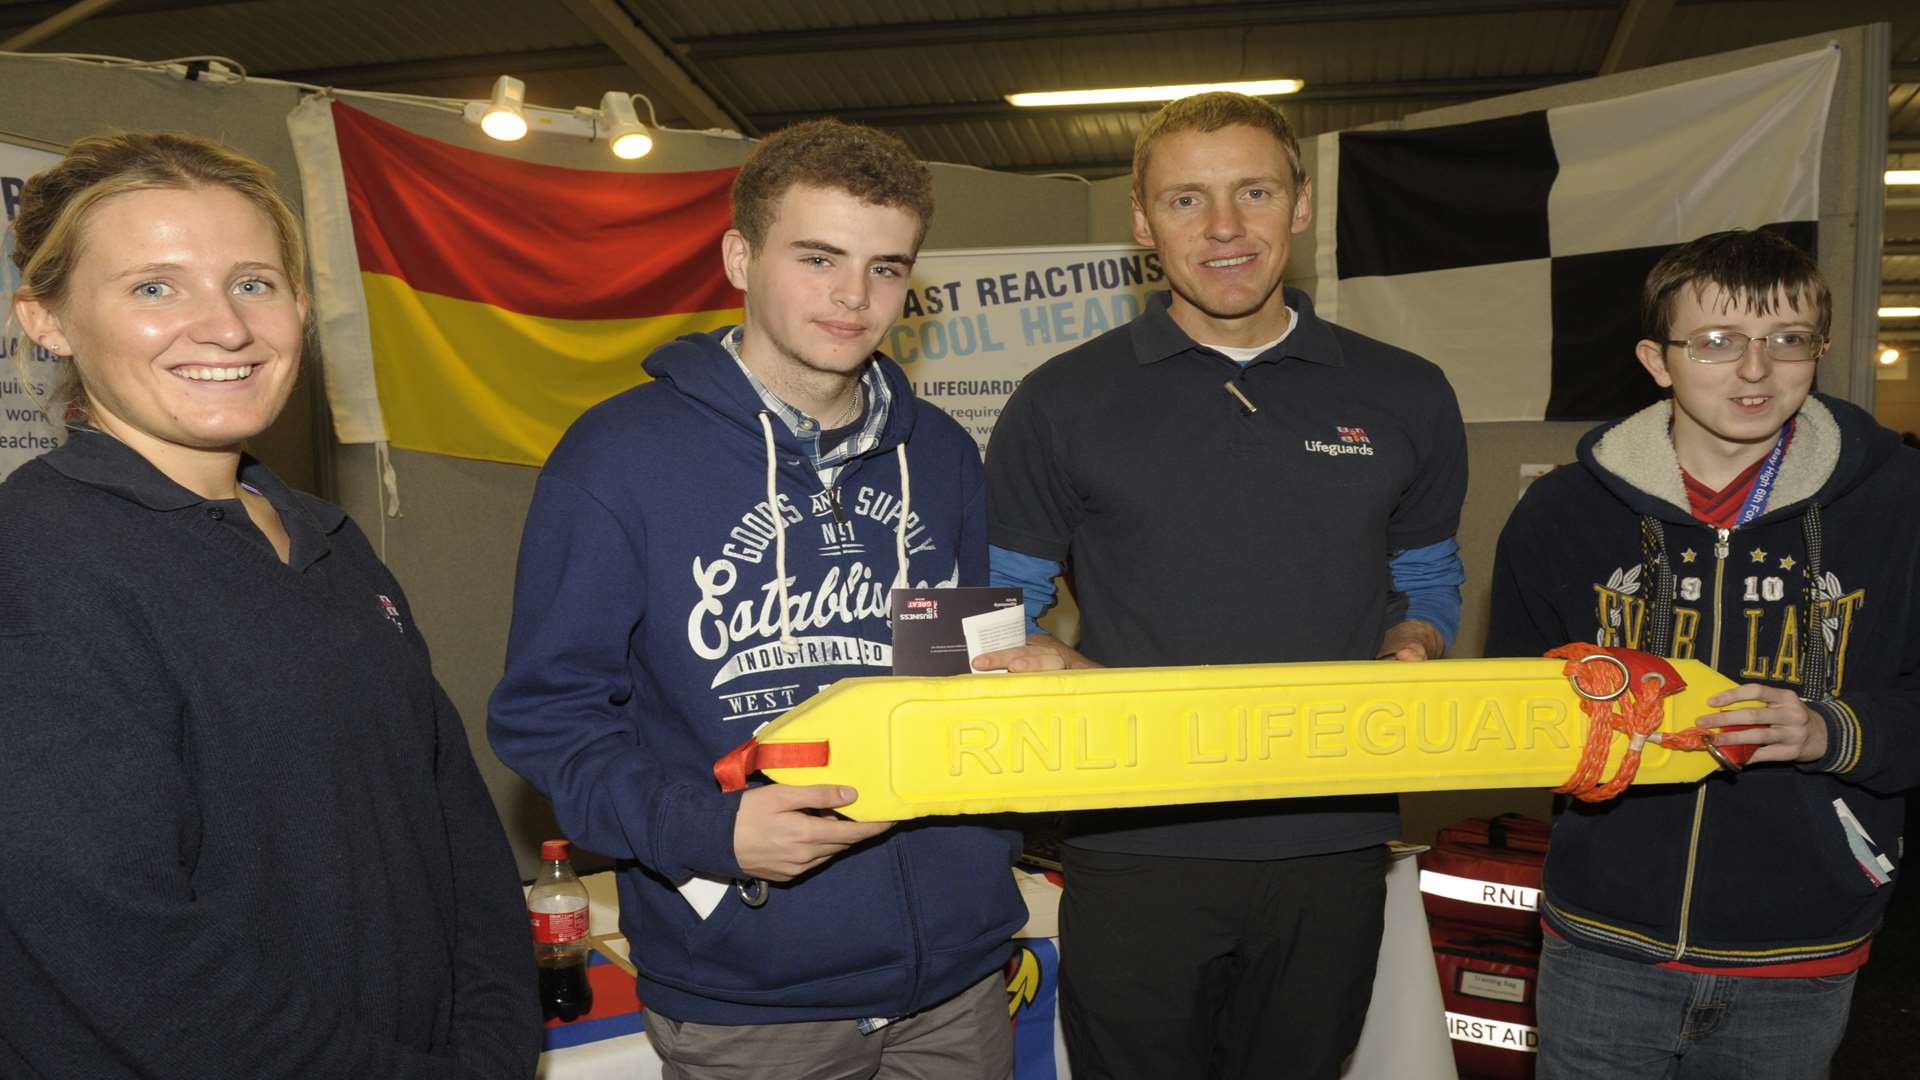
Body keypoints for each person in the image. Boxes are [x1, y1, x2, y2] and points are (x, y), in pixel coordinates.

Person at [488, 118, 1025, 1079]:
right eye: (818, 258)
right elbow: (548, 717)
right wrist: (710, 832)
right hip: (750, 995)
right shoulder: (617, 458)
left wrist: (1027, 684)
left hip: (957, 980)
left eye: (886, 268)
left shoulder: (940, 453)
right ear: (740, 254)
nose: (854, 298)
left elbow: (954, 668)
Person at [0, 132, 540, 1078]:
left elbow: (456, 833)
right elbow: (115, 945)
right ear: (46, 321)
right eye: (153, 287)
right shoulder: (37, 560)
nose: (227, 328)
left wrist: (496, 1047)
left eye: (253, 282)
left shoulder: (328, 540)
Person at [977, 92, 1469, 1080]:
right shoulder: (1065, 399)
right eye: (1186, 200)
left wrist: (1416, 643)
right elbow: (993, 603)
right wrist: (1035, 660)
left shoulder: (1406, 391)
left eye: (1253, 191)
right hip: (1131, 845)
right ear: (1141, 222)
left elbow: (1427, 573)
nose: (1224, 228)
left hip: (1334, 841)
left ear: (1299, 203)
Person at [1487, 228, 1920, 1079]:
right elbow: (1515, 713)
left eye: (1786, 341)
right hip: (1603, 945)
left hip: (1801, 947)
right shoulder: (1561, 513)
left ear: (1820, 352)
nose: (1754, 372)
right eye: (1717, 342)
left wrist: (1833, 731)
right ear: (1658, 359)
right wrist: (1573, 738)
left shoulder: (1900, 503)